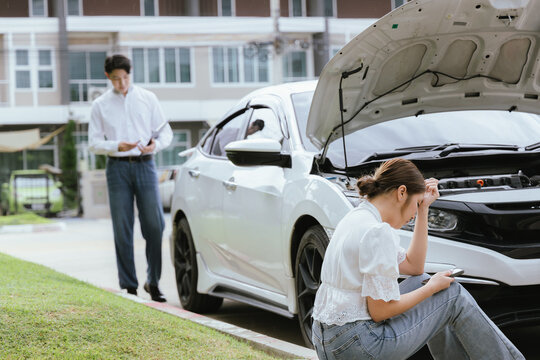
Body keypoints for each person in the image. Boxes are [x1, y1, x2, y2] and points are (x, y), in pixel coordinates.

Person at [311, 158, 524, 360]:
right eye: (416, 203)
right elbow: (381, 311)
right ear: (401, 192)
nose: (413, 215)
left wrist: (424, 210)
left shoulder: (357, 217)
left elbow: (414, 267)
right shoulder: (377, 232)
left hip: (330, 340)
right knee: (451, 293)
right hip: (360, 346)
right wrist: (430, 288)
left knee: (422, 279)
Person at [88, 54, 173, 303]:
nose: (121, 84)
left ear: (130, 74)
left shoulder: (148, 98)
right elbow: (94, 143)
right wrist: (117, 146)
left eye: (125, 78)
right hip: (117, 168)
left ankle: (153, 281)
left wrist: (154, 145)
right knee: (122, 227)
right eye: (116, 79)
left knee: (155, 225)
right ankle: (129, 286)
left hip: (145, 165)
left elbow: (165, 132)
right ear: (108, 77)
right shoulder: (100, 105)